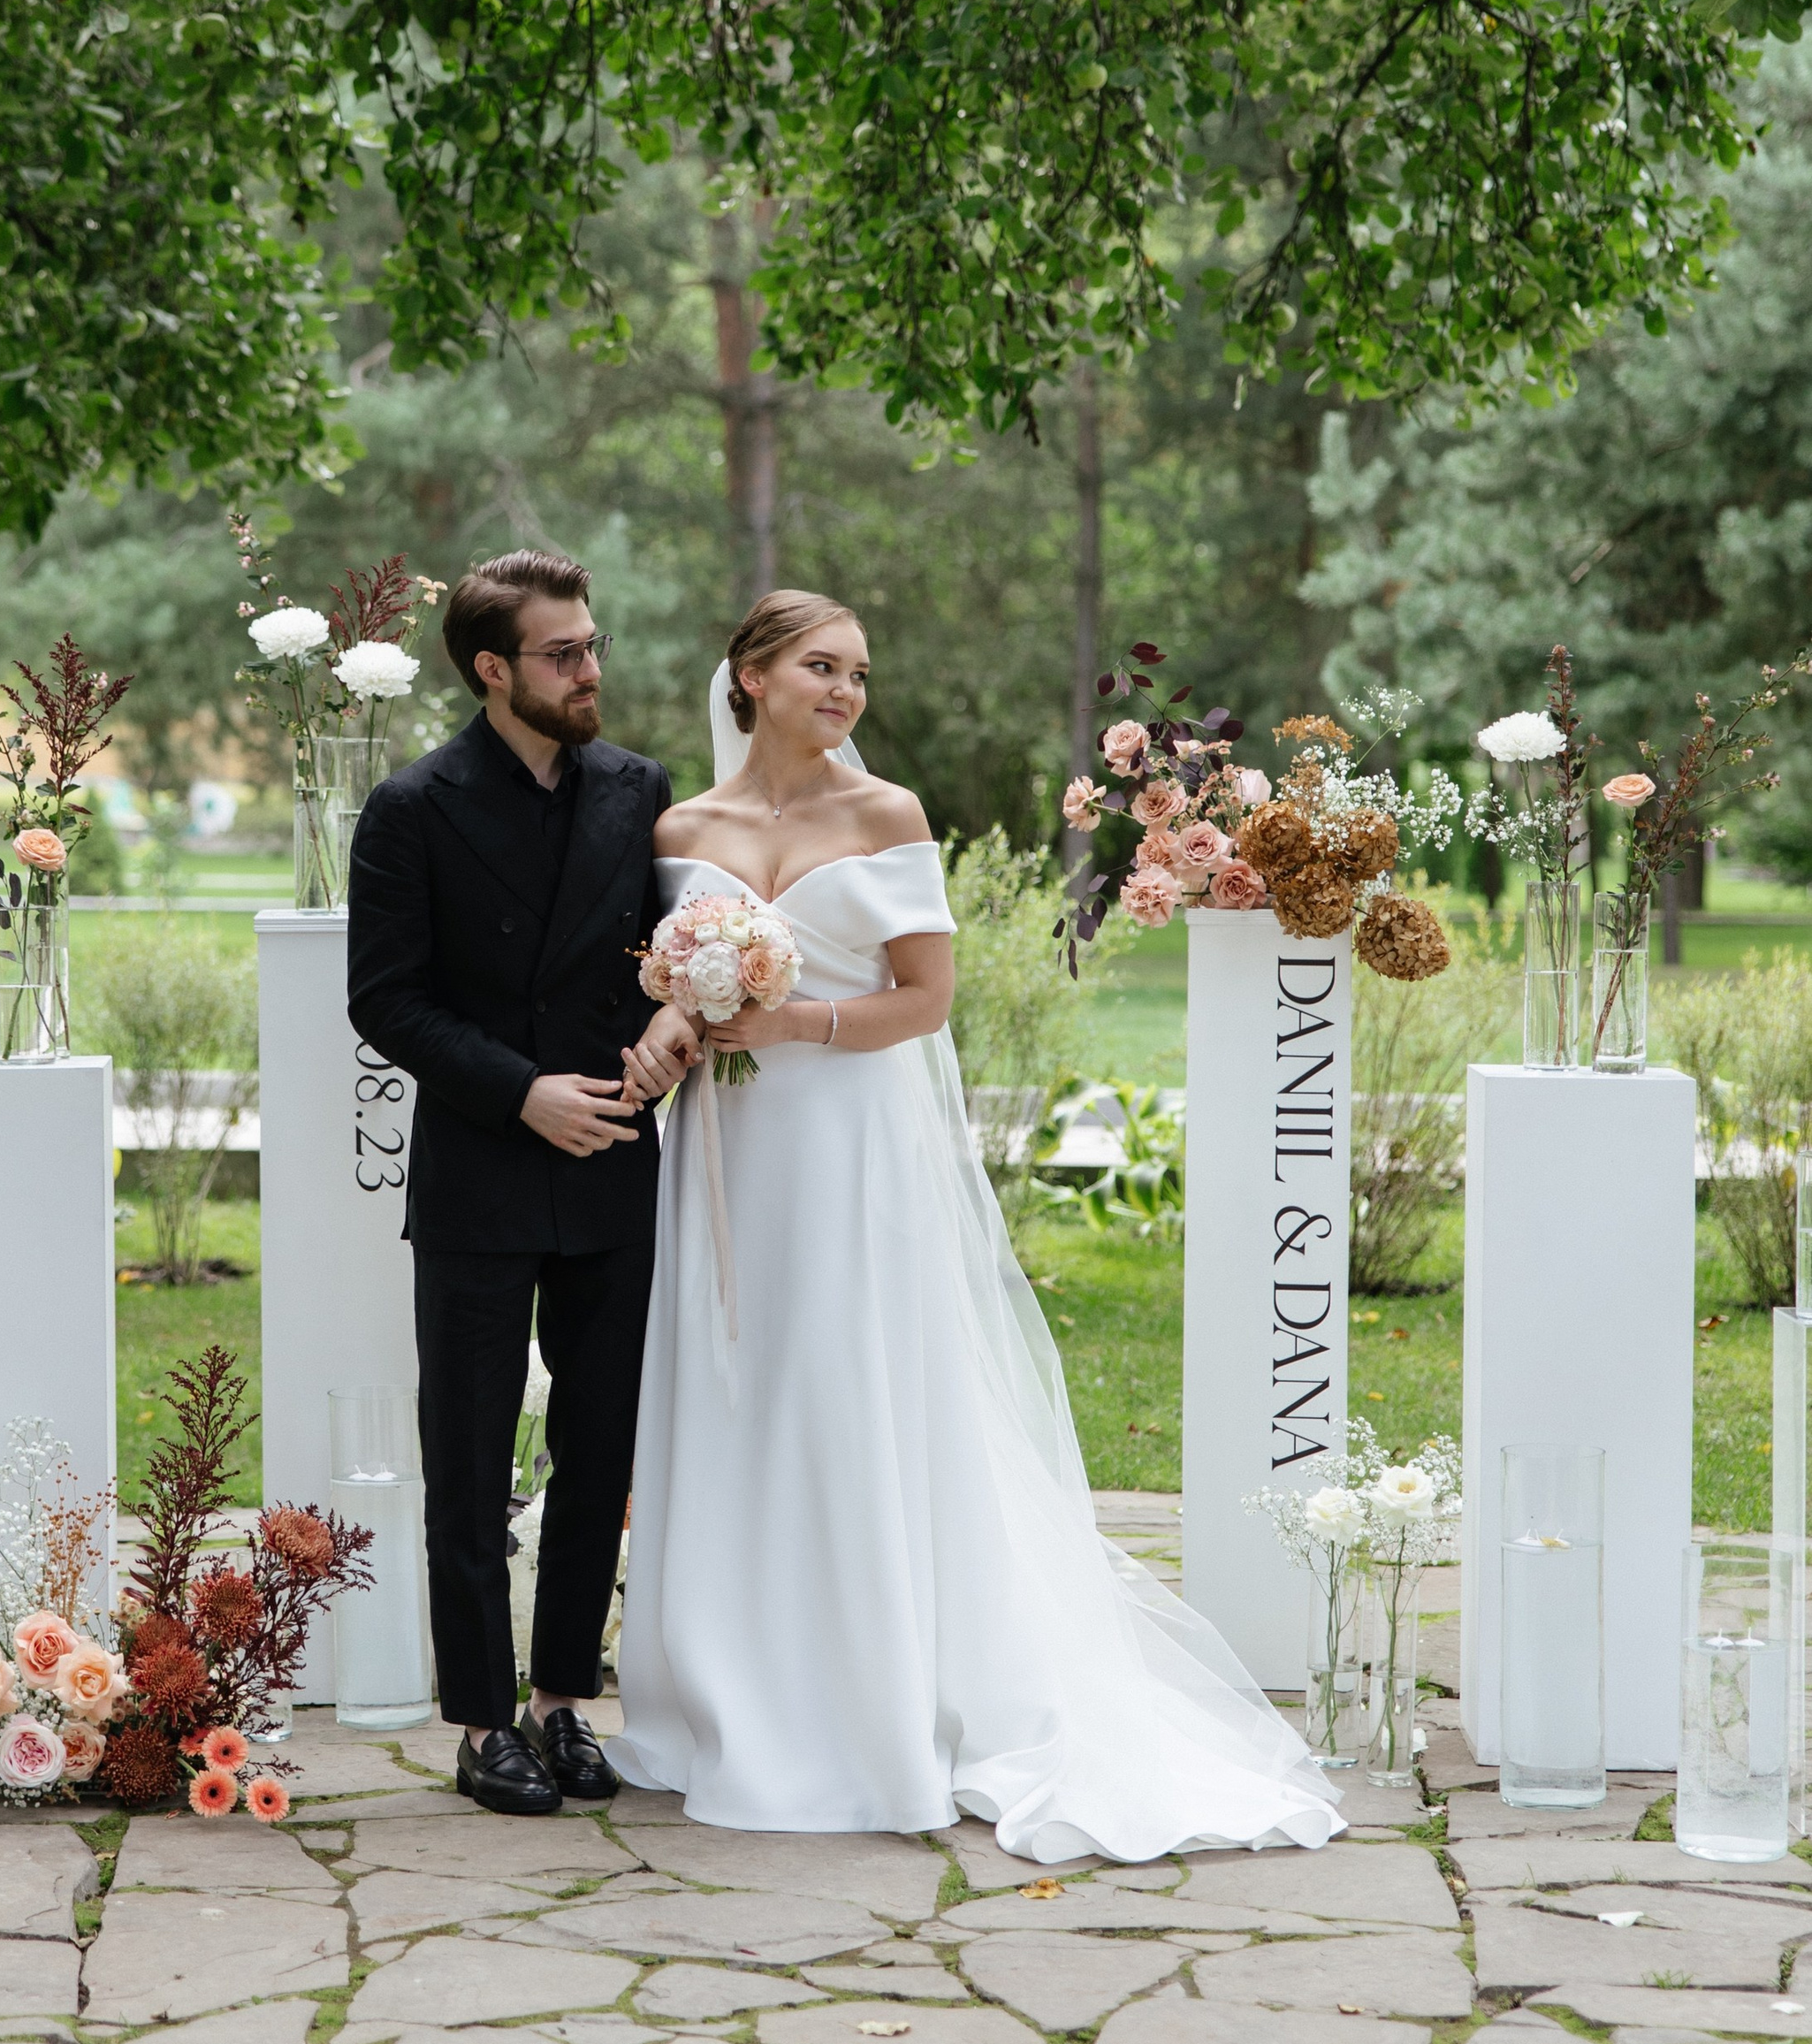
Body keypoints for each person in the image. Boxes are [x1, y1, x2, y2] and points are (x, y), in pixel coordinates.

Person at [607, 590, 1346, 1862]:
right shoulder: (683, 825)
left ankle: (873, 1696)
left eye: (858, 673)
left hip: (848, 1150)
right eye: (820, 668)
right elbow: (665, 973)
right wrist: (678, 1018)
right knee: (737, 1390)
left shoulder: (884, 814)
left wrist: (794, 1022)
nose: (845, 692)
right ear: (750, 676)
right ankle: (724, 1691)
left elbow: (925, 1000)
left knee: (848, 1390)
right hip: (728, 1153)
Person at [346, 550, 670, 1818]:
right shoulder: (413, 808)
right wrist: (517, 1089)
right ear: (494, 670)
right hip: (485, 1166)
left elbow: (666, 961)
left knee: (601, 1454)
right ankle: (484, 1722)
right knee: (470, 1460)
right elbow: (386, 999)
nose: (591, 670)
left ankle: (561, 1707)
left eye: (592, 646)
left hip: (611, 1161)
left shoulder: (638, 790)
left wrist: (667, 1043)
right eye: (563, 654)